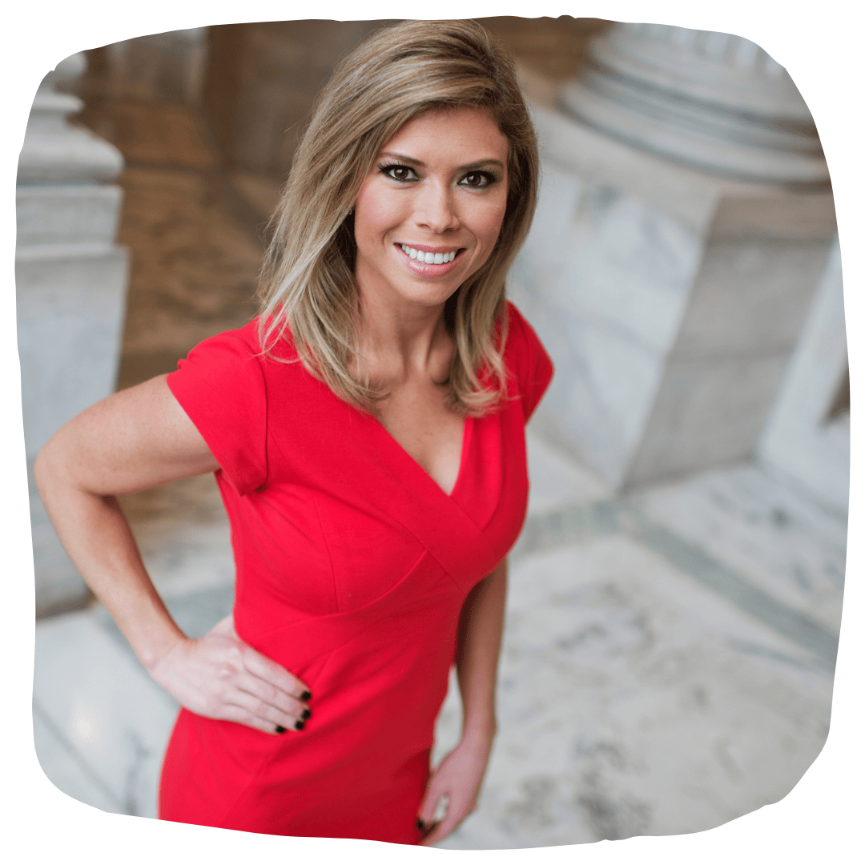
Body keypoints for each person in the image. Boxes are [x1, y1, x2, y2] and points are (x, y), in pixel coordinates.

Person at [35, 19, 553, 846]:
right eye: (401, 172)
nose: (439, 215)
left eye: (475, 179)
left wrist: (477, 731)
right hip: (259, 792)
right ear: (346, 180)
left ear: (509, 196)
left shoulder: (505, 352)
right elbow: (66, 466)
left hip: (396, 779)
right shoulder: (258, 384)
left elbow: (477, 562)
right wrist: (167, 652)